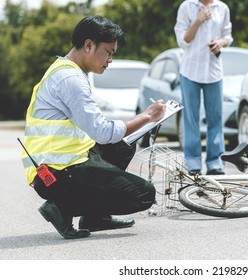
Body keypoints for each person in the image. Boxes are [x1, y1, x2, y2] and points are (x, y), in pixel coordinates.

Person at [21, 16, 166, 239]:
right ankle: (61, 206)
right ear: (89, 45)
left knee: (122, 147)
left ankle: (96, 218)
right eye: (109, 52)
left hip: (65, 161)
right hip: (55, 173)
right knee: (144, 195)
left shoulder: (68, 70)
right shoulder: (71, 79)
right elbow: (102, 132)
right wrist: (147, 116)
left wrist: (138, 123)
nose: (110, 60)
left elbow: (99, 130)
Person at [174, 0, 233, 175]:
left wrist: (220, 43)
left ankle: (215, 162)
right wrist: (198, 20)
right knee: (191, 119)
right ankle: (192, 162)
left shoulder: (222, 8)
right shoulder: (186, 7)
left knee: (215, 118)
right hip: (190, 71)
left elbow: (228, 36)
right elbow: (183, 41)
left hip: (214, 71)